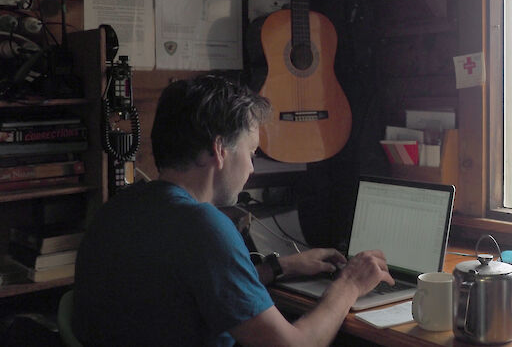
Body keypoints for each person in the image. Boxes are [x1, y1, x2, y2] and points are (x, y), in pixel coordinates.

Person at [73, 75, 394, 346]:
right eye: (251, 152)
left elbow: (185, 288)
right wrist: (350, 283)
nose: (252, 168)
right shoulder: (203, 226)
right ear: (219, 149)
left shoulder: (118, 209)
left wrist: (279, 268)